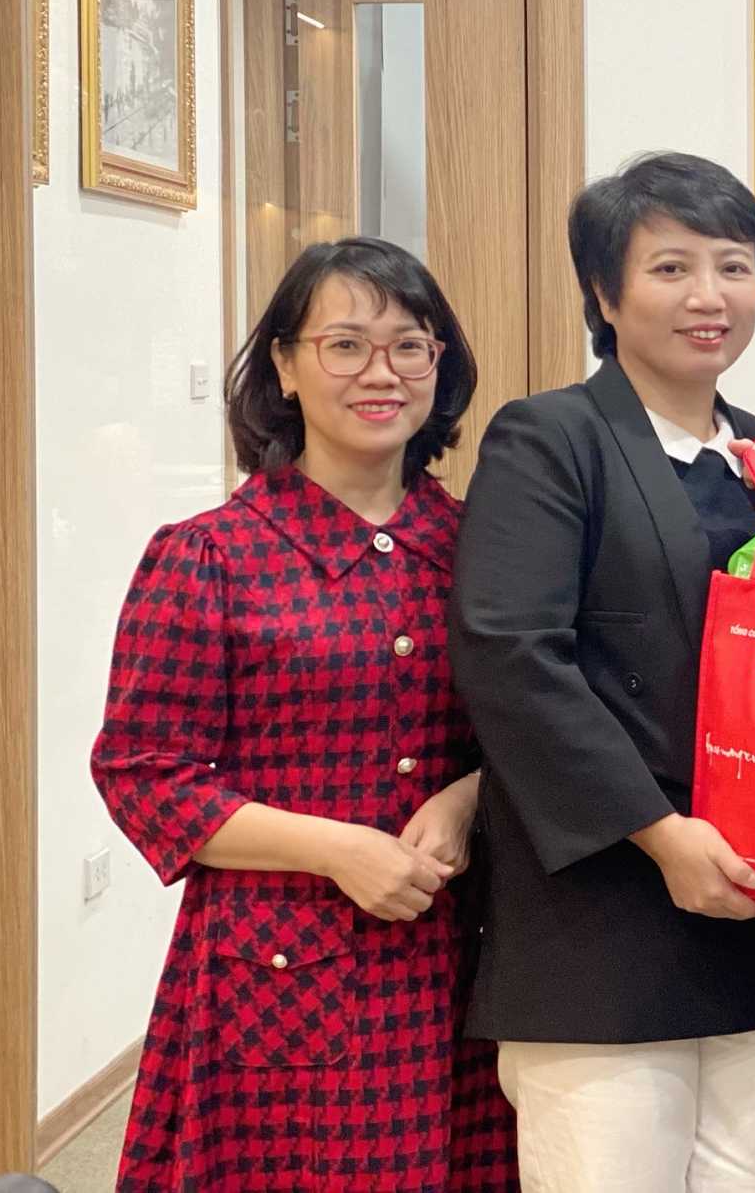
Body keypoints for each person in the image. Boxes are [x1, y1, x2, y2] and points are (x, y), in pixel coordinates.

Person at [449, 153, 755, 1191]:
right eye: (671, 267)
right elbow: (513, 656)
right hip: (607, 911)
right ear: (604, 291)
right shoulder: (551, 438)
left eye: (734, 266)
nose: (708, 295)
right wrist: (663, 835)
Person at [92, 237, 514, 1190]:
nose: (382, 373)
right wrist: (336, 849)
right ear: (284, 365)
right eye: (346, 345)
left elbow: (542, 725)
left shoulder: (485, 549)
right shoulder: (208, 556)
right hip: (276, 972)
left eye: (410, 346)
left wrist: (468, 798)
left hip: (464, 959)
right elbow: (142, 773)